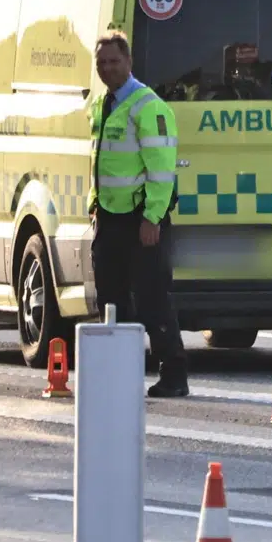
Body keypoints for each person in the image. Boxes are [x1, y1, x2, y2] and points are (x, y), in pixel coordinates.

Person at [86, 30, 189, 398]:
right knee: (111, 299)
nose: (107, 68)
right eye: (101, 62)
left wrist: (153, 218)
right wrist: (94, 206)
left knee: (152, 298)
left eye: (114, 61)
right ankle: (120, 372)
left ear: (129, 62)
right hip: (110, 217)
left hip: (142, 218)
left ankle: (174, 374)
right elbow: (101, 162)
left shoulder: (149, 106)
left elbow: (162, 171)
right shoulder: (103, 105)